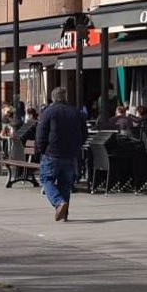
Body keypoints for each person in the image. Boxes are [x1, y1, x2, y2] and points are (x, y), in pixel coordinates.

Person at [36, 87, 87, 222]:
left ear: (53, 98)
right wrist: (77, 146)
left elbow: (41, 133)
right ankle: (64, 213)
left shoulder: (48, 112)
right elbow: (84, 133)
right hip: (70, 154)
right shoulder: (76, 112)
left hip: (52, 152)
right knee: (65, 183)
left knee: (46, 179)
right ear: (65, 97)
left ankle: (59, 203)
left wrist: (41, 149)